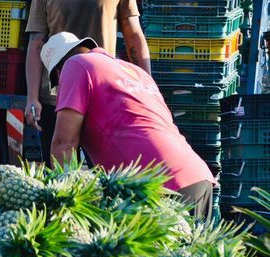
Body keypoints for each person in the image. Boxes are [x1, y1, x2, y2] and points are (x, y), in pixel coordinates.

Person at [42, 32, 216, 220]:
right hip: (198, 176)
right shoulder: (137, 72)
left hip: (158, 188)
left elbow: (63, 144)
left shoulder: (75, 64)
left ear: (59, 72)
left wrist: (67, 206)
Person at [24, 0, 150, 166]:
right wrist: (32, 98)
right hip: (58, 100)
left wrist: (147, 86)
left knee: (107, 179)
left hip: (103, 97)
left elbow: (133, 34)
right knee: (59, 180)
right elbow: (36, 43)